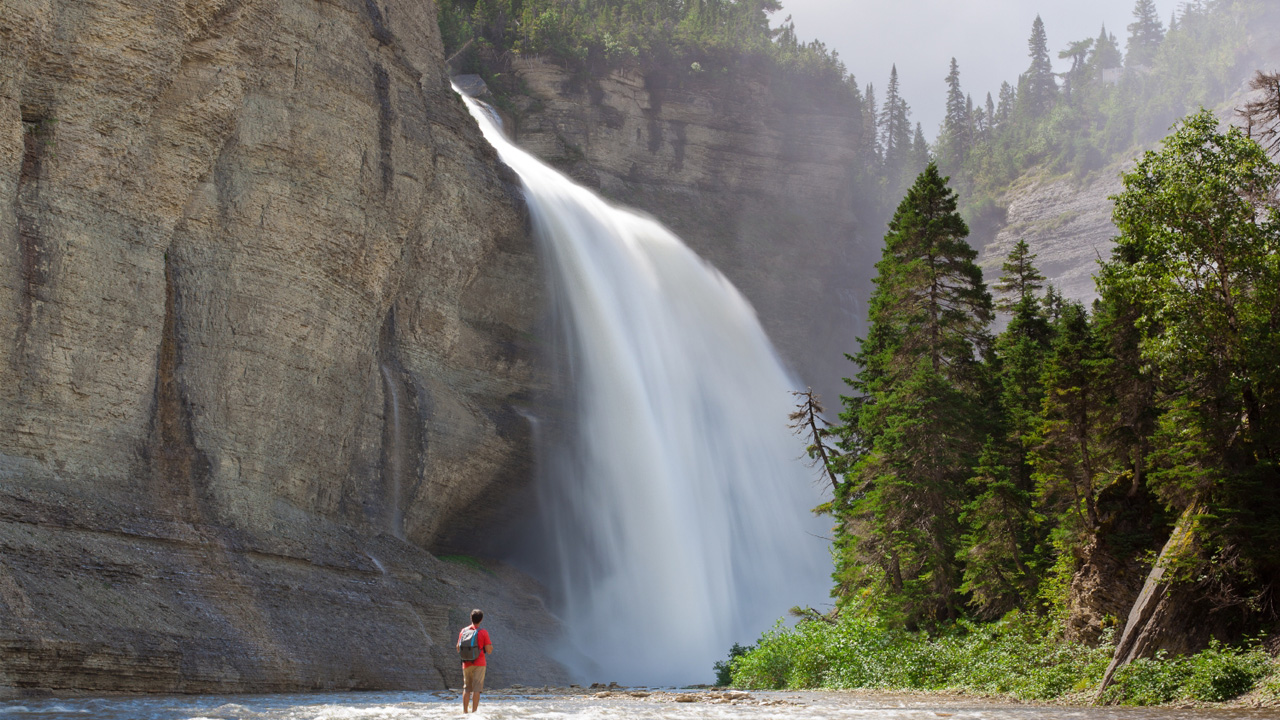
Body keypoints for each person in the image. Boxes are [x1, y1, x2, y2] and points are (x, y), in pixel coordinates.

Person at [456, 608, 493, 713]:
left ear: (471, 618)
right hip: (479, 663)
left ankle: (465, 713)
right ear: (481, 620)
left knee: (466, 688)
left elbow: (458, 647)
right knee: (476, 689)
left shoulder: (463, 631)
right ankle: (474, 714)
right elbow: (489, 650)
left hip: (466, 664)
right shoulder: (483, 632)